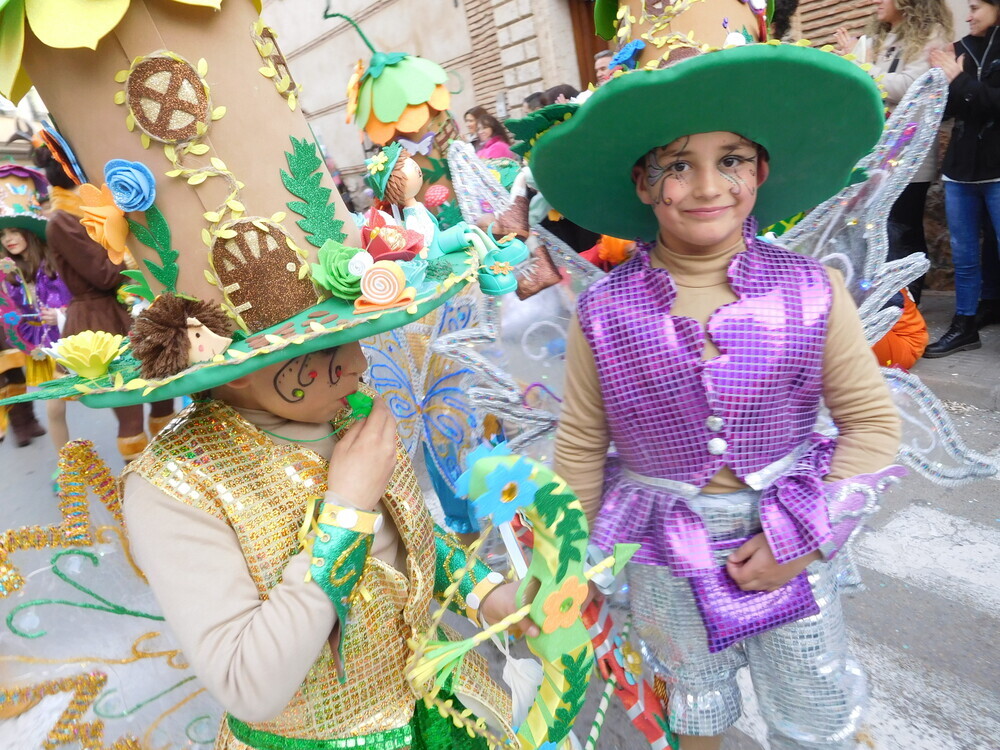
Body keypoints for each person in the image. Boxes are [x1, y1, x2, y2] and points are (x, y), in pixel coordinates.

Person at [528, 2, 901, 748]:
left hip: (789, 537)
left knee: (818, 708)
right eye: (677, 164)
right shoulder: (602, 314)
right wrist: (558, 573)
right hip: (663, 549)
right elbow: (579, 447)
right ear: (642, 183)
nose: (707, 186)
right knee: (692, 708)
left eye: (730, 159)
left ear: (760, 170)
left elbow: (872, 427)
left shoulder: (810, 289)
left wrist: (809, 536)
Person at [33, 142, 175, 460]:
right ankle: (139, 478)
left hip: (132, 307)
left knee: (165, 393)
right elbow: (104, 275)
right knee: (130, 408)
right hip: (100, 319)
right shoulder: (62, 222)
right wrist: (116, 224)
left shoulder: (89, 208)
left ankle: (172, 463)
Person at [837, 0, 954, 302]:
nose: (875, 1)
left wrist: (858, 62)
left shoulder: (931, 34)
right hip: (875, 151)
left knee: (904, 228)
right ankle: (882, 301)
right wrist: (852, 60)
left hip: (908, 151)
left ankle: (907, 306)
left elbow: (908, 86)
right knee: (877, 231)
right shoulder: (881, 37)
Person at [925, 0, 1000, 355]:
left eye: (975, 7)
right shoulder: (959, 49)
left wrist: (960, 80)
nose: (967, 16)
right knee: (965, 256)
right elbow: (949, 111)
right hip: (960, 171)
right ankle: (965, 324)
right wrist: (942, 84)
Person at [0, 165, 71, 452]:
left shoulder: (55, 261)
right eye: (3, 235)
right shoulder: (11, 272)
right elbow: (13, 313)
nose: (8, 239)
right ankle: (67, 469)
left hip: (73, 341)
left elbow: (79, 297)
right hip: (44, 350)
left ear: (30, 233)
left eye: (14, 232)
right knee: (55, 410)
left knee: (109, 399)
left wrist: (61, 315)